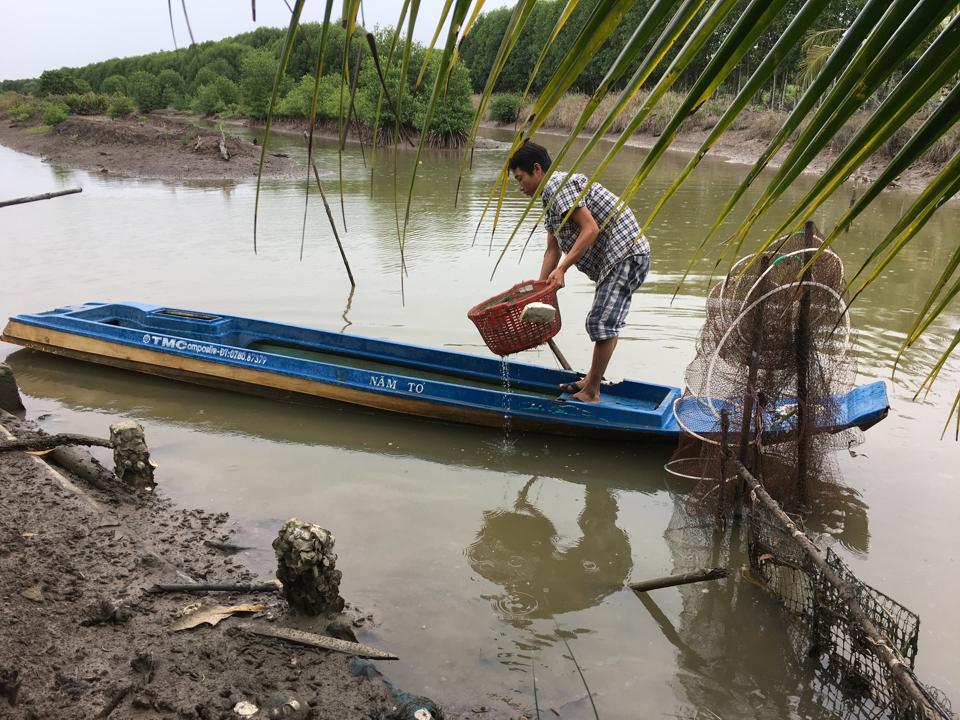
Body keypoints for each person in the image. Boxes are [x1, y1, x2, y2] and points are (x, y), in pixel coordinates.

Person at [509, 141, 650, 403]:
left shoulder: (556, 186)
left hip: (626, 253)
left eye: (520, 178)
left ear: (536, 169)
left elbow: (590, 229)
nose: (520, 186)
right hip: (619, 257)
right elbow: (552, 250)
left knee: (601, 321)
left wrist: (562, 270)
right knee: (601, 320)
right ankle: (590, 380)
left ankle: (592, 391)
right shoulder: (550, 201)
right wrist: (539, 290)